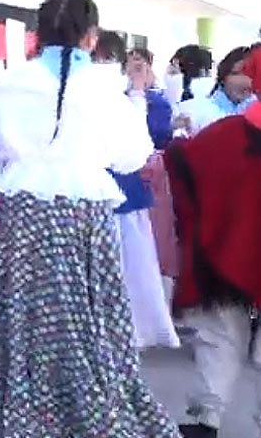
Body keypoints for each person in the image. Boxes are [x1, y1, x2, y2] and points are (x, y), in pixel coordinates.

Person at [0, 0, 179, 436]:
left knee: (18, 314)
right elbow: (132, 156)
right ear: (92, 37)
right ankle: (86, 405)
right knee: (87, 318)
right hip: (85, 213)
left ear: (38, 34)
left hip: (23, 212)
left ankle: (18, 404)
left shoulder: (10, 84)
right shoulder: (108, 89)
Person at [167, 45, 261, 438]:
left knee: (218, 334)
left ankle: (206, 417)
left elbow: (183, 163)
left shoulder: (223, 132)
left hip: (223, 257)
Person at [99, 43, 180, 349]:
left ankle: (135, 327)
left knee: (134, 260)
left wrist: (138, 92)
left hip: (127, 187)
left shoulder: (149, 100)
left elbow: (148, 140)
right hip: (99, 188)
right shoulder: (83, 95)